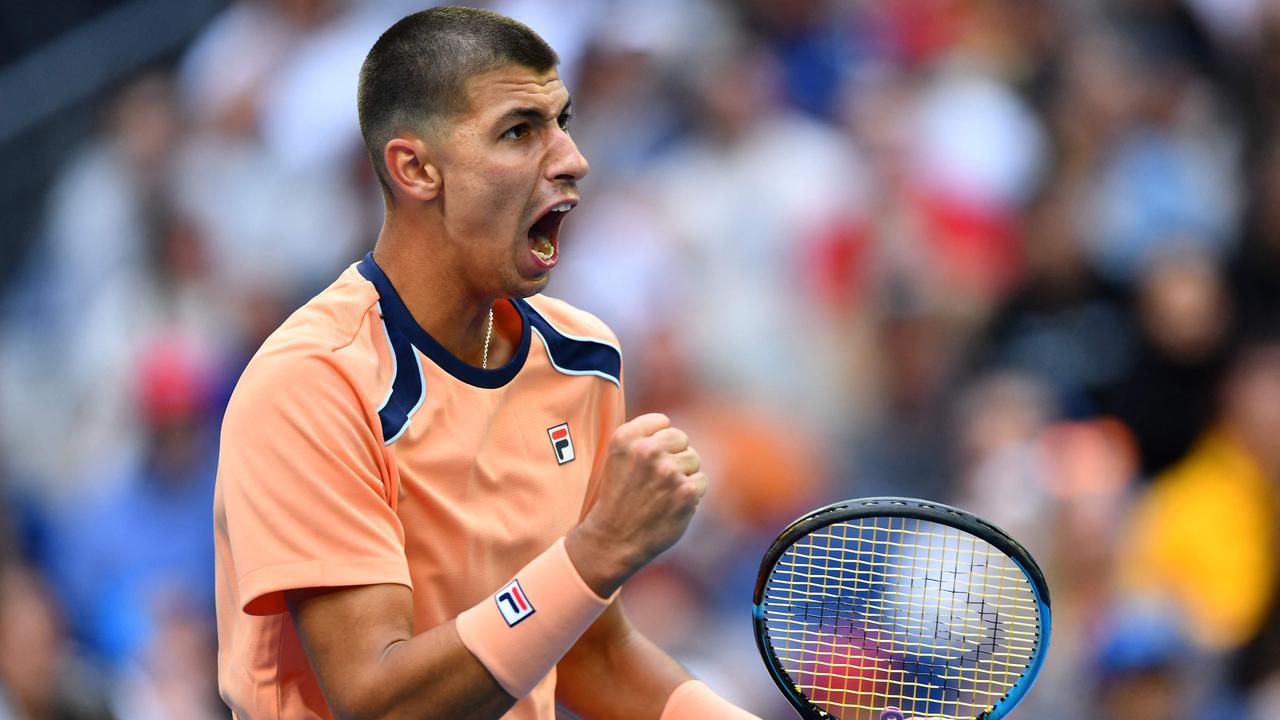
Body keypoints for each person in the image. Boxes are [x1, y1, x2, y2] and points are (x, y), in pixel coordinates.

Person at [213, 7, 758, 719]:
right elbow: (377, 702)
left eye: (563, 121)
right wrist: (597, 550)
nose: (571, 158)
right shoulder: (311, 385)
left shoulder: (584, 359)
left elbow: (589, 650)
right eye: (520, 131)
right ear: (416, 168)